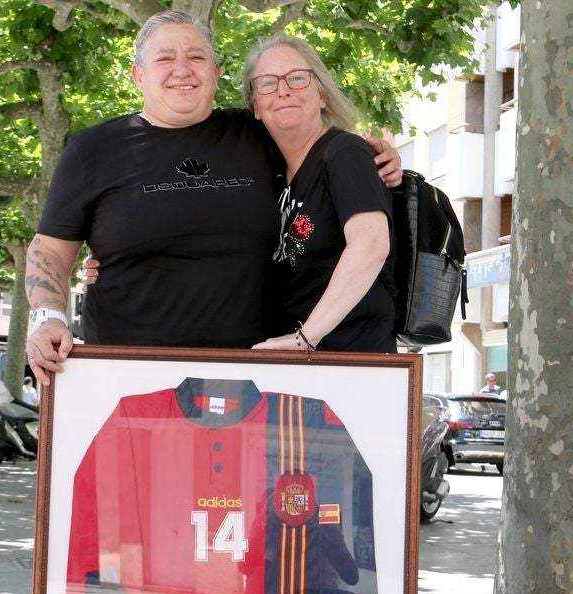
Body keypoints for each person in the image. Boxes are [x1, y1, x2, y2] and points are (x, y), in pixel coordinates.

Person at [24, 11, 400, 380]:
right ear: (139, 76)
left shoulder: (255, 133)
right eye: (165, 58)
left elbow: (314, 144)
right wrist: (48, 316)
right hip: (127, 369)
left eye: (196, 56)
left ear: (216, 73)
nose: (182, 69)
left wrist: (378, 155)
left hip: (249, 375)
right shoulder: (92, 150)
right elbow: (51, 250)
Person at [244, 34, 395, 354]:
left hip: (350, 361)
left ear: (322, 94)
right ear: (255, 106)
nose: (283, 90)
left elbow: (371, 244)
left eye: (298, 78)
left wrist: (306, 337)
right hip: (294, 365)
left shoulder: (345, 152)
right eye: (267, 83)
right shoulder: (265, 173)